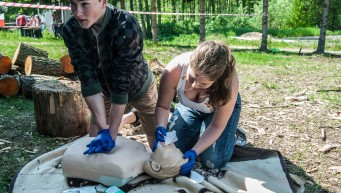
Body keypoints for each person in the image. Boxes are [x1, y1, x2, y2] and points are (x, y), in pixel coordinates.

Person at [62, 0, 158, 155]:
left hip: (140, 87)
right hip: (106, 90)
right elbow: (87, 78)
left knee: (158, 148)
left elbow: (121, 80)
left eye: (85, 4)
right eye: (73, 4)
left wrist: (112, 133)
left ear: (103, 2)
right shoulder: (71, 29)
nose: (77, 12)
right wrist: (103, 128)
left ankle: (133, 116)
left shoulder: (125, 24)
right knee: (94, 137)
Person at [153, 41, 242, 176]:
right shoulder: (174, 70)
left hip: (217, 114)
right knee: (173, 149)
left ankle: (232, 134)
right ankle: (199, 132)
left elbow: (216, 126)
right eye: (192, 77)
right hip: (190, 108)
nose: (194, 85)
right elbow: (163, 106)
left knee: (213, 160)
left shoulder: (228, 83)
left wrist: (195, 151)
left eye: (203, 83)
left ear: (216, 80)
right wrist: (160, 126)